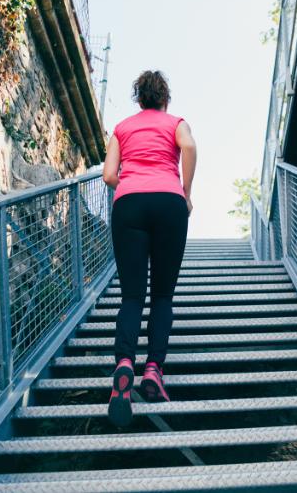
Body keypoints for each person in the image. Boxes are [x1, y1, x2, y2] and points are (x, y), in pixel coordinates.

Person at [101, 70, 196, 428]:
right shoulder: (176, 123)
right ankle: (153, 370)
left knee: (131, 296)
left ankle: (124, 363)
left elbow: (109, 175)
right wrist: (185, 192)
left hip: (129, 205)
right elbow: (188, 146)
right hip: (169, 204)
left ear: (139, 99)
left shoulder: (122, 128)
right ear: (165, 99)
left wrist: (132, 177)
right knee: (162, 296)